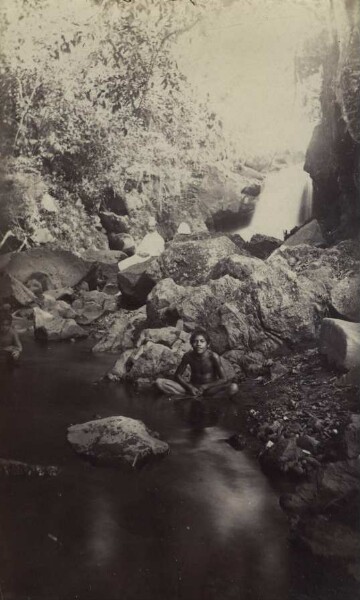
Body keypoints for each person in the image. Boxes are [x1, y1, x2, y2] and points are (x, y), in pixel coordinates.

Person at [156, 327, 238, 398]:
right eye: (195, 341)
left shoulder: (213, 356)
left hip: (210, 389)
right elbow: (177, 375)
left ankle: (207, 398)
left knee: (233, 387)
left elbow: (223, 379)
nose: (198, 344)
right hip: (192, 387)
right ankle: (195, 396)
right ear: (192, 344)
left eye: (202, 341)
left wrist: (204, 387)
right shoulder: (188, 356)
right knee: (159, 382)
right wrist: (190, 387)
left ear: (208, 344)